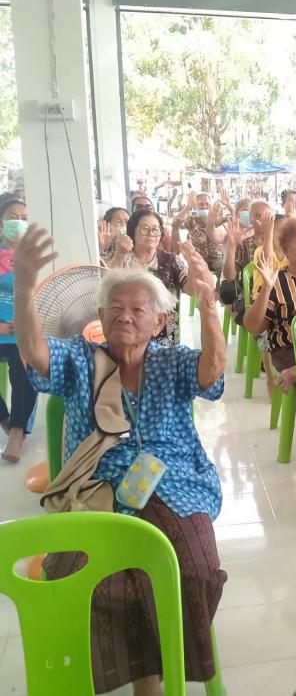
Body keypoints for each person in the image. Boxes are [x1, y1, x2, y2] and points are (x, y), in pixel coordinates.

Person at [15, 225, 227, 696]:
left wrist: (209, 304)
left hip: (175, 484)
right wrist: (25, 288)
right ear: (100, 317)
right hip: (97, 488)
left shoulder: (171, 361)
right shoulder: (81, 360)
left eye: (138, 309)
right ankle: (145, 681)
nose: (125, 317)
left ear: (159, 322)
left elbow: (212, 372)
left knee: (192, 569)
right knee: (86, 578)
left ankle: (167, 668)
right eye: (115, 309)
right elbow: (36, 355)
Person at [243, 216, 296, 393]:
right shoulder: (276, 281)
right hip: (289, 348)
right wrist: (266, 288)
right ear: (285, 249)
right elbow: (254, 327)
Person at [109, 209, 195, 346]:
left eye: (155, 229)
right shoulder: (122, 256)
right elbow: (108, 289)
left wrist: (192, 262)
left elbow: (191, 289)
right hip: (127, 331)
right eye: (145, 229)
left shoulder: (171, 260)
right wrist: (119, 256)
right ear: (132, 232)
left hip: (164, 336)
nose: (151, 233)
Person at [0, 198, 37, 463]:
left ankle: (16, 431)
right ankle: (5, 419)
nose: (19, 222)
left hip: (21, 332)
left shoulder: (35, 256)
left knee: (23, 365)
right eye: (13, 216)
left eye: (24, 218)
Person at [172, 191, 226, 285]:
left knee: (223, 283)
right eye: (201, 204)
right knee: (199, 284)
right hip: (199, 258)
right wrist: (188, 207)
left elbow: (232, 219)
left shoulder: (215, 217)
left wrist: (226, 205)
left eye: (207, 204)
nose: (204, 206)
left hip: (217, 258)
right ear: (195, 205)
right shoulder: (192, 218)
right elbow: (175, 221)